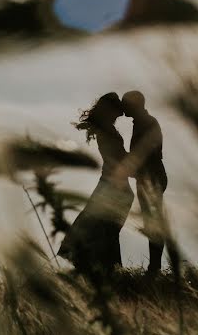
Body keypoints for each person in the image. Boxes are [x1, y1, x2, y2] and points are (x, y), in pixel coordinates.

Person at [57, 93, 135, 275]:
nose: (119, 116)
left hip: (111, 184)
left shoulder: (105, 130)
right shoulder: (106, 131)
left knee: (101, 226)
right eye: (117, 112)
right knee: (104, 227)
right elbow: (119, 159)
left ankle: (101, 267)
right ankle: (104, 268)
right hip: (114, 186)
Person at [121, 90, 168, 275]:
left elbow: (148, 153)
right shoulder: (144, 122)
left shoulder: (146, 123)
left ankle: (154, 268)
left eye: (125, 104)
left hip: (151, 177)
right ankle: (154, 266)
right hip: (149, 176)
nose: (123, 108)